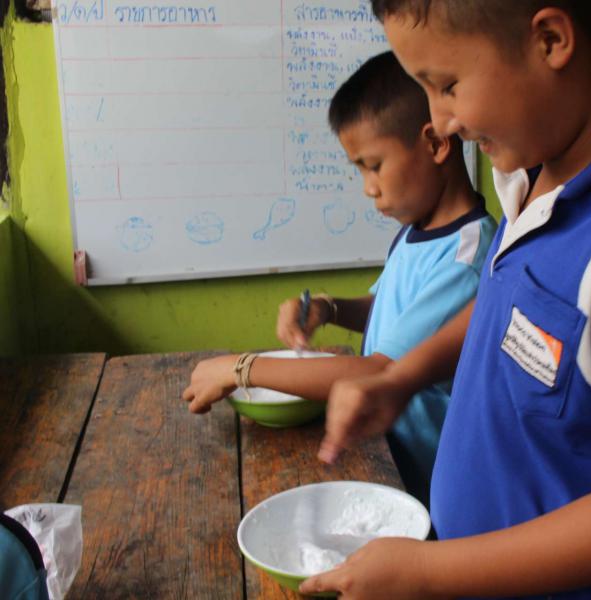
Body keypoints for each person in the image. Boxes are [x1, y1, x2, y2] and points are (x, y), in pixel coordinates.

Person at [298, 1, 591, 599]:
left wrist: (428, 573)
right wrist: (403, 378)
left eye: (447, 86)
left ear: (549, 40)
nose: (441, 123)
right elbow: (507, 309)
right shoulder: (532, 176)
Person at [181, 50, 497, 506]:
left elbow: (379, 371)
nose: (368, 188)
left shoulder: (465, 259)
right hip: (383, 458)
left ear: (435, 145)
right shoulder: (418, 233)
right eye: (360, 170)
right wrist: (328, 309)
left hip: (424, 489)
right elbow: (394, 318)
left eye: (374, 165)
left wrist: (241, 368)